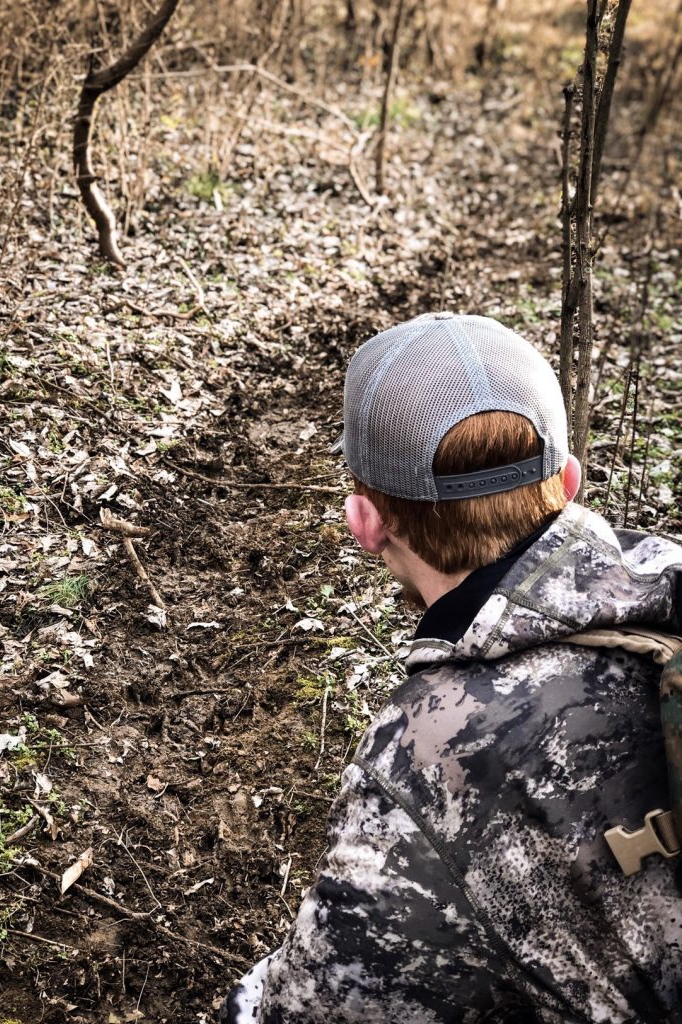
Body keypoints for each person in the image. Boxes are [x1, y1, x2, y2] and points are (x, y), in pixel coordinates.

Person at [220, 312, 682, 1024]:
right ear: (568, 479)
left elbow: (312, 1009)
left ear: (364, 521)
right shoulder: (667, 577)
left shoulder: (427, 759)